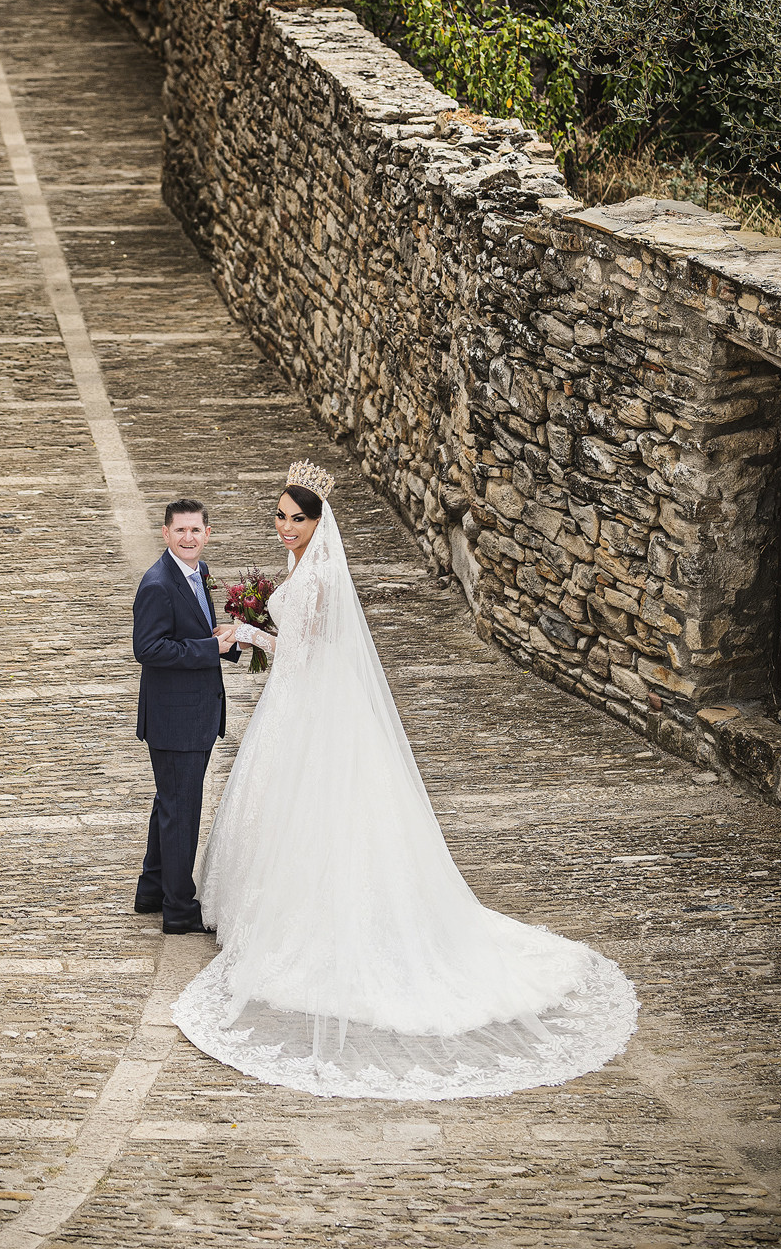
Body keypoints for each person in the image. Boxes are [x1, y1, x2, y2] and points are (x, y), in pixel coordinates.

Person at [170, 458, 639, 1100]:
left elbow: (304, 650)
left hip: (307, 701)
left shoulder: (323, 574)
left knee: (321, 809)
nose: (285, 528)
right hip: (298, 701)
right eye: (279, 516)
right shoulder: (300, 565)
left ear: (318, 522)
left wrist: (248, 631)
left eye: (297, 519)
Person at [132, 499, 239, 934]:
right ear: (165, 533)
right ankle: (179, 910)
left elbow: (192, 633)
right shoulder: (157, 583)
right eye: (180, 531)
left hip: (192, 712)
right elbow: (149, 649)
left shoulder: (198, 572)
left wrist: (228, 641)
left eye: (195, 530)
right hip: (176, 720)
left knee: (170, 803)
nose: (188, 538)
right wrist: (209, 648)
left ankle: (152, 890)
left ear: (207, 533)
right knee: (182, 810)